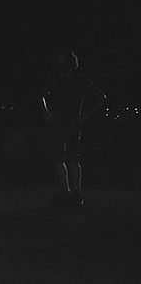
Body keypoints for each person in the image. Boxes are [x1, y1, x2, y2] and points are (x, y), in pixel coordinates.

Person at [41, 49, 106, 207]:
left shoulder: (79, 80)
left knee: (72, 157)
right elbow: (41, 95)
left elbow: (100, 98)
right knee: (58, 157)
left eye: (62, 60)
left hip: (71, 123)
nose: (59, 63)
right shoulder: (55, 79)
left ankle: (75, 192)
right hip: (57, 122)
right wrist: (46, 112)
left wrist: (83, 116)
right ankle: (65, 190)